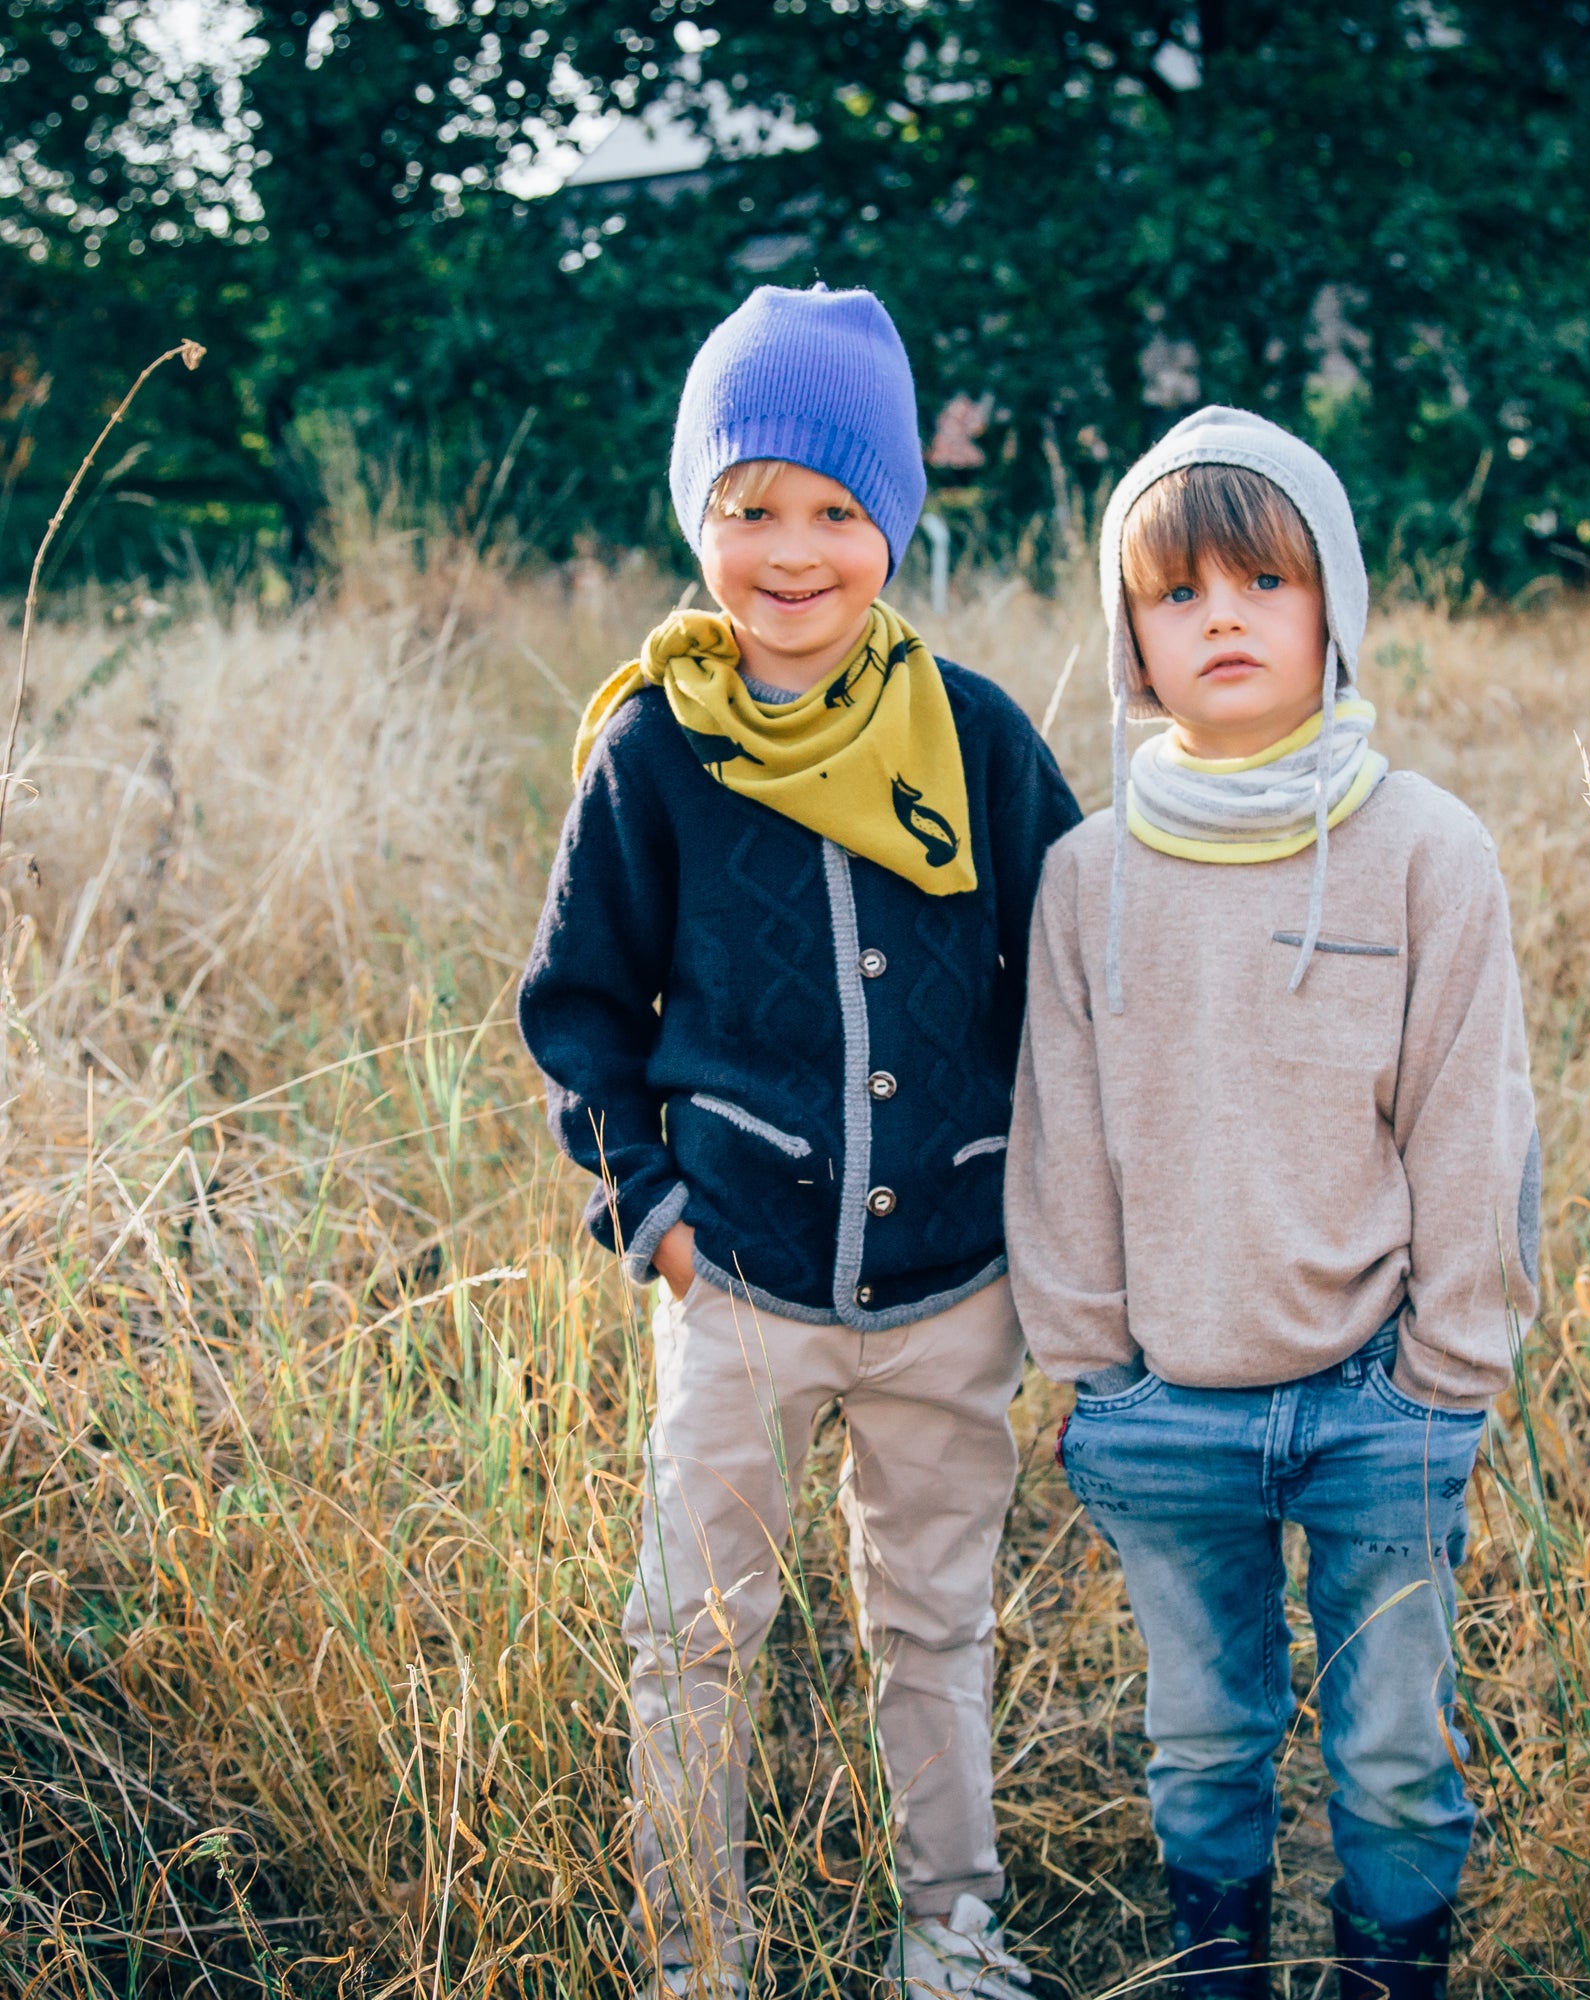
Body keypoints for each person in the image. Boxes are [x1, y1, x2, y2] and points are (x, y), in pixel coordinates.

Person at [518, 283, 1080, 2000]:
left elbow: (1071, 975)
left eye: (837, 509)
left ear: (891, 523)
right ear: (697, 516)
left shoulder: (973, 737)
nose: (792, 551)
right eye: (750, 505)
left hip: (952, 1291)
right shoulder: (656, 747)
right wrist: (656, 1211)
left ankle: (949, 1934)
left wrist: (1041, 1209)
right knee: (694, 1630)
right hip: (741, 1285)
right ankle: (700, 1955)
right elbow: (579, 1007)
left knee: (936, 1618)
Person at [1004, 407, 1540, 2000]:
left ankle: (1390, 1973)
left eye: (1262, 581)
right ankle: (1215, 1971)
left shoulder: (1427, 850)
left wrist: (1451, 1370)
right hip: (1165, 1405)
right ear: (1132, 638)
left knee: (1392, 1751)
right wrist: (1096, 1367)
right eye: (1177, 594)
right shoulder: (1088, 876)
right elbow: (1059, 1137)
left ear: (1333, 610)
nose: (1221, 618)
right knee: (1203, 1738)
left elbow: (1473, 1122)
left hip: (1384, 1402)